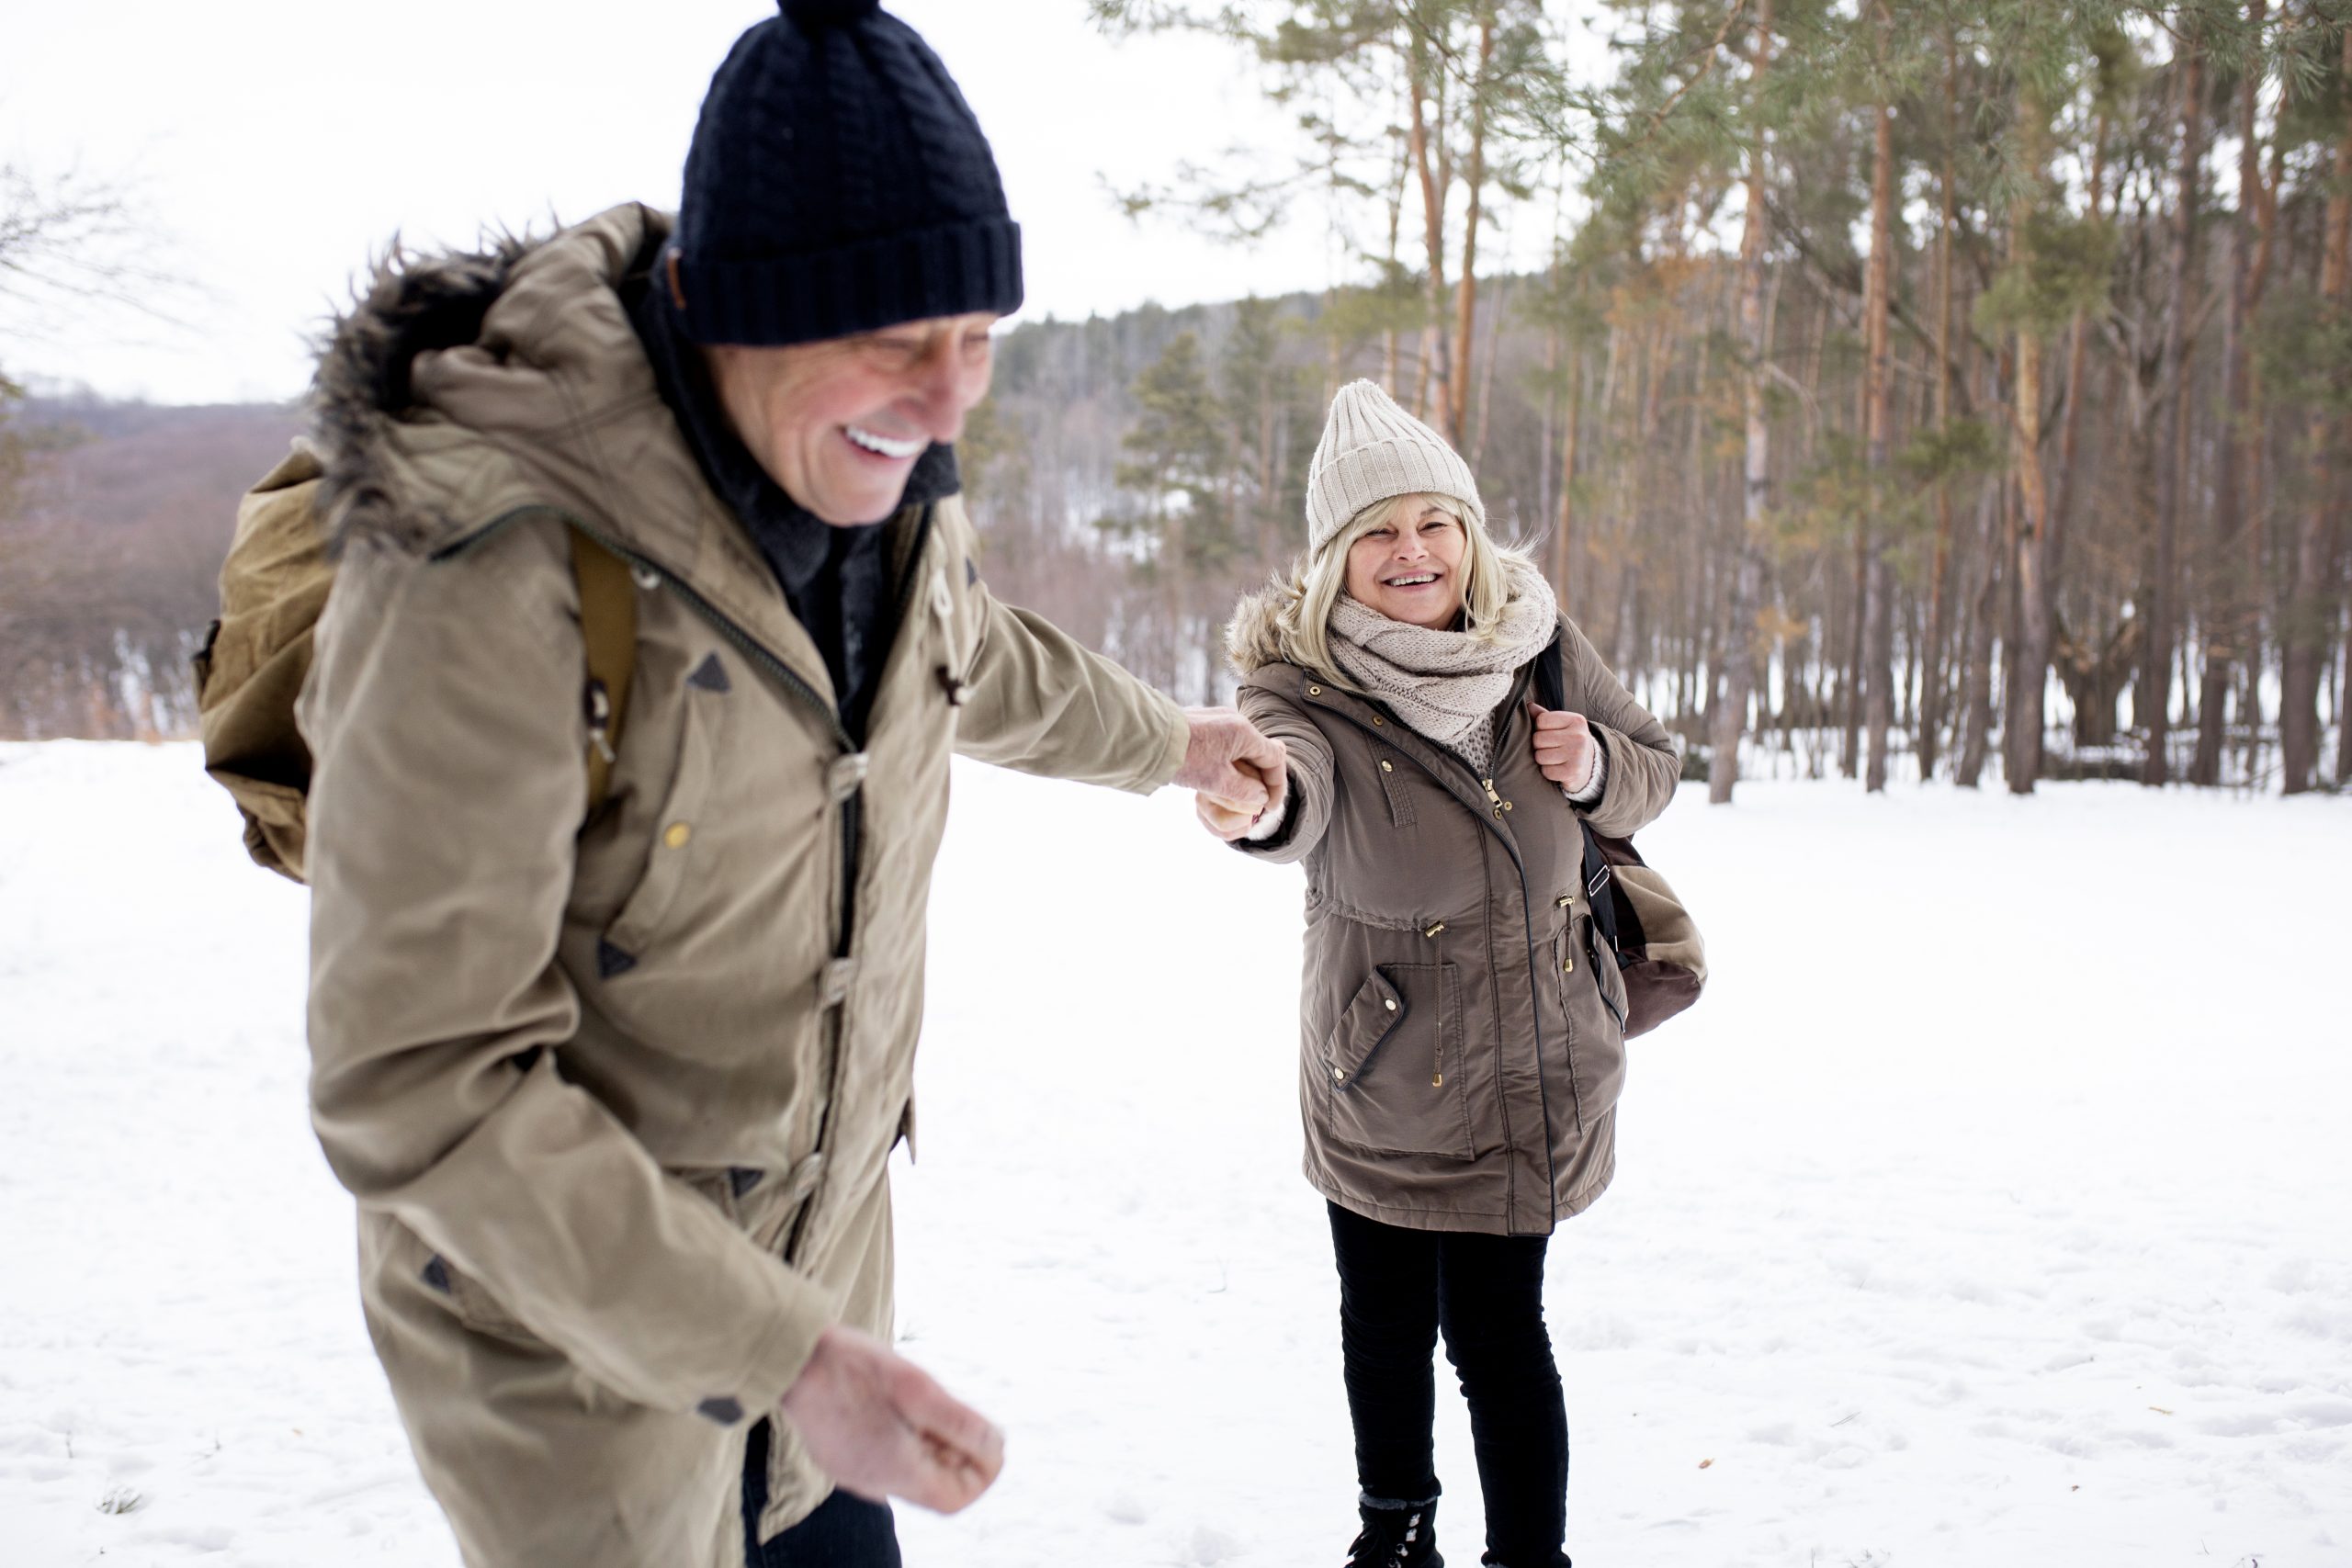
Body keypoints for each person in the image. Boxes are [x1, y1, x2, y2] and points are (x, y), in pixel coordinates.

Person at [292, 3, 1283, 1564]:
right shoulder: (486, 563)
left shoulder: (879, 486)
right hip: (581, 1368)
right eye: (896, 343)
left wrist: (1170, 742)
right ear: (730, 313)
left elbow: (966, 655)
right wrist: (784, 1357)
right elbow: (415, 1079)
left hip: (824, 1315)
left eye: (977, 343)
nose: (950, 401)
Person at [1203, 379, 1679, 1568]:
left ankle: (1529, 1560)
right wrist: (1256, 802)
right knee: (1383, 1326)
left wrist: (1599, 763)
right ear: (1333, 562)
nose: (1411, 552)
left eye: (1432, 522)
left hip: (1533, 1069)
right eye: (1376, 531)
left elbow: (1660, 770)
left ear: (1467, 531)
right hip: (1383, 1076)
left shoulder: (1540, 646)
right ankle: (1393, 1535)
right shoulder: (1300, 687)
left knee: (1499, 1334)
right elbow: (1290, 786)